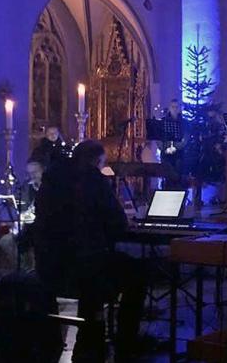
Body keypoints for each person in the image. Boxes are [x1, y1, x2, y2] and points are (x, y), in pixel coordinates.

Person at [34, 140, 145, 362]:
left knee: (92, 267)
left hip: (50, 267)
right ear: (97, 160)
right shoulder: (95, 181)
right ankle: (125, 343)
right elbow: (117, 223)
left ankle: (90, 337)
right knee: (137, 274)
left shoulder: (51, 179)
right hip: (86, 267)